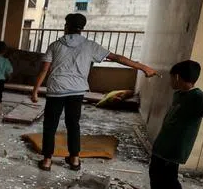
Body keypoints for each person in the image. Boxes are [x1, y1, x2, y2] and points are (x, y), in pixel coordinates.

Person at [31, 13, 157, 171]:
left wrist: (35, 90)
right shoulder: (90, 46)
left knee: (50, 125)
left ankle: (47, 161)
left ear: (66, 27)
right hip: (76, 91)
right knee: (73, 125)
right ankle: (75, 159)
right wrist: (144, 67)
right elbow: (117, 57)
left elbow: (44, 70)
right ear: (81, 29)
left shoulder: (54, 45)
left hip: (56, 90)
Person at [149, 60, 203, 189]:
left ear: (176, 77)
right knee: (155, 172)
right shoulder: (179, 95)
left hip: (175, 146)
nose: (170, 81)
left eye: (171, 78)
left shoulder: (198, 96)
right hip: (163, 143)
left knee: (169, 176)